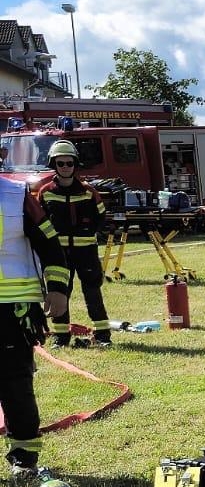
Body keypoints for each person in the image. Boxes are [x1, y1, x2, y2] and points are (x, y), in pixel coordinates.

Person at [0, 171, 69, 477]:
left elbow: (50, 244)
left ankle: (24, 457)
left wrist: (58, 289)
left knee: (14, 383)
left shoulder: (17, 196)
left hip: (13, 309)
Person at [35, 139, 111, 346]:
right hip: (58, 254)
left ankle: (103, 335)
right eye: (60, 163)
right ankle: (61, 336)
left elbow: (101, 217)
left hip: (86, 251)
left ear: (75, 164)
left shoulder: (88, 192)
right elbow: (39, 221)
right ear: (54, 164)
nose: (65, 167)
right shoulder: (46, 192)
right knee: (60, 292)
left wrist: (88, 232)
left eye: (69, 163)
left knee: (92, 291)